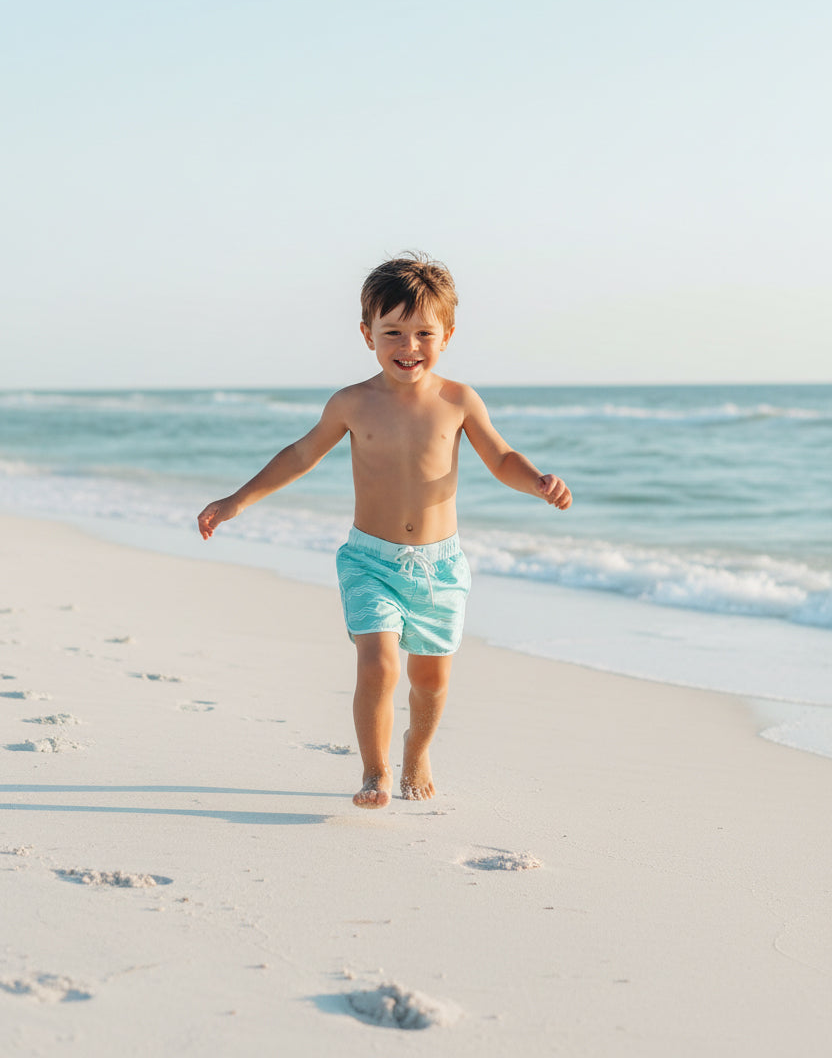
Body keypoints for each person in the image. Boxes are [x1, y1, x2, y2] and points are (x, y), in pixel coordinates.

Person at [197, 253, 571, 809]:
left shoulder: (458, 401)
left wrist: (538, 481)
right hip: (370, 561)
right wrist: (237, 501)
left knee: (431, 684)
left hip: (440, 567)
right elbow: (300, 455)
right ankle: (375, 773)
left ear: (447, 334)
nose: (408, 346)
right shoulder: (352, 403)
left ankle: (416, 752)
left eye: (423, 333)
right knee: (378, 664)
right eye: (392, 332)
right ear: (367, 334)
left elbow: (501, 458)